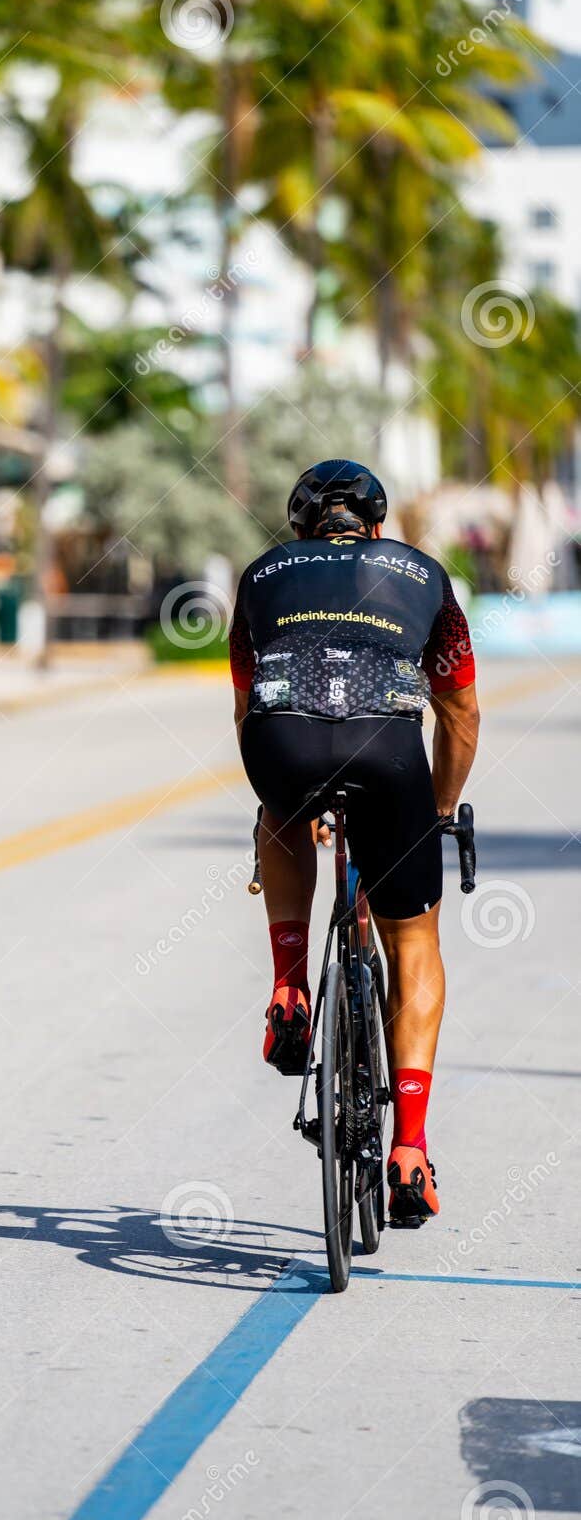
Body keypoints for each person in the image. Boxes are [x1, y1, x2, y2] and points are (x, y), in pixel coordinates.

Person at [229, 460, 479, 1226]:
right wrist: (436, 809)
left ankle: (288, 988)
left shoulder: (261, 574)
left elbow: (246, 707)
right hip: (387, 751)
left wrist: (287, 800)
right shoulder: (425, 575)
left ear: (300, 527)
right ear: (375, 526)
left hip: (282, 742)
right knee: (413, 939)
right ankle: (409, 1149)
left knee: (277, 814)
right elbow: (460, 716)